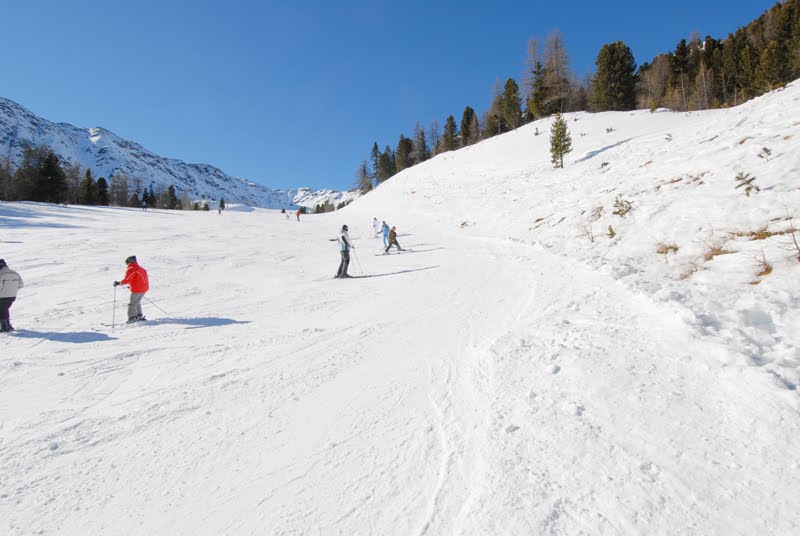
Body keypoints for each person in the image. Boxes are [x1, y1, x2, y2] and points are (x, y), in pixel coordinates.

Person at [114, 256, 150, 323]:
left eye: (127, 262)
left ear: (129, 261)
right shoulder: (141, 268)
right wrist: (131, 286)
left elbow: (127, 279)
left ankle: (132, 318)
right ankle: (139, 316)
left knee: (132, 304)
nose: (127, 264)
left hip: (138, 289)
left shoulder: (132, 269)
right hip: (144, 288)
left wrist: (119, 283)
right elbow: (139, 279)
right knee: (137, 302)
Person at [0, 259, 23, 333]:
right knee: (4, 310)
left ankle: (4, 327)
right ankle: (8, 325)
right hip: (12, 296)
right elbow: (21, 285)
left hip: (2, 295)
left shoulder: (1, 273)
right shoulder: (15, 273)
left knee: (2, 310)